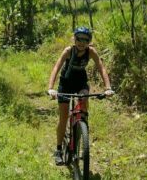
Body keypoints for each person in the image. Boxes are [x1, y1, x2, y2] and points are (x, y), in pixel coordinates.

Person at [47, 26, 114, 165]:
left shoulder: (91, 52)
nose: (81, 42)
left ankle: (81, 126)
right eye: (79, 39)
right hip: (65, 83)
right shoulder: (69, 51)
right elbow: (56, 67)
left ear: (89, 41)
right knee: (64, 118)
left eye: (85, 40)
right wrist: (51, 88)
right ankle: (59, 150)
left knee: (83, 103)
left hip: (81, 83)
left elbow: (101, 68)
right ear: (74, 39)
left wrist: (108, 87)